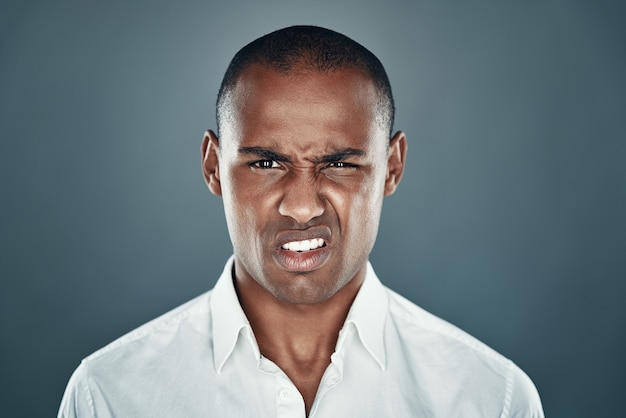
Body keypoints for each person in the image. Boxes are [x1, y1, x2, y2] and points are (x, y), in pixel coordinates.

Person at [58, 25, 544, 417]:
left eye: (340, 164)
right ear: (213, 167)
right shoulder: (110, 397)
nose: (302, 206)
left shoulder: (489, 400)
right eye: (267, 163)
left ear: (392, 166)